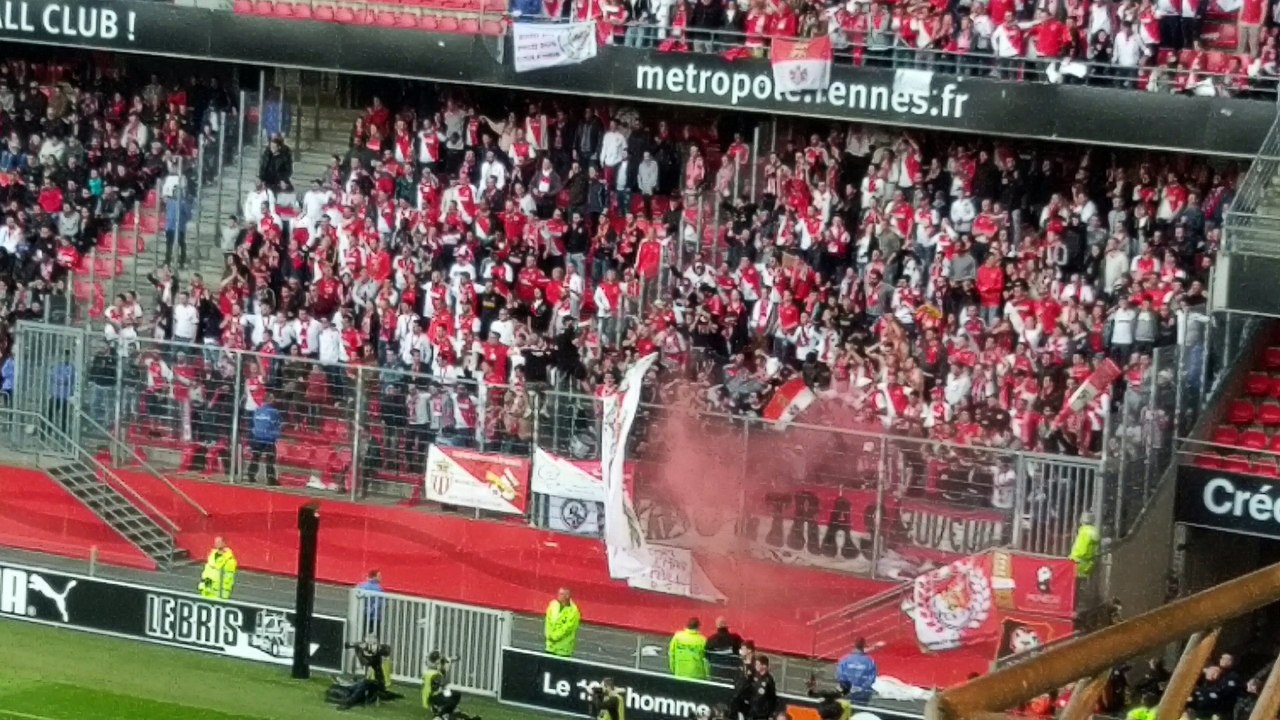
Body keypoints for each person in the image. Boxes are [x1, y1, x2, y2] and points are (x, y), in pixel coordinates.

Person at [423, 651, 479, 720]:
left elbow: (448, 660)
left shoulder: (437, 669)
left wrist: (454, 659)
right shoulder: (431, 673)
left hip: (440, 694)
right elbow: (440, 685)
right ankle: (439, 716)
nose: (441, 664)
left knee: (455, 696)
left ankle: (462, 716)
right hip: (434, 697)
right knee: (451, 701)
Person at [245, 392, 282, 486]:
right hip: (269, 438)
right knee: (270, 460)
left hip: (257, 437)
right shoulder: (274, 412)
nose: (274, 400)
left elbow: (254, 422)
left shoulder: (257, 410)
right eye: (273, 398)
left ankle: (250, 475)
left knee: (255, 457)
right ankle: (271, 479)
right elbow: (278, 423)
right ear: (269, 400)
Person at [835, 638, 877, 704]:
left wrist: (848, 688)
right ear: (864, 646)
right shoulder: (870, 661)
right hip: (862, 695)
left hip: (846, 693)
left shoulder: (845, 659)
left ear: (854, 645)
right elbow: (871, 678)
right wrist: (861, 688)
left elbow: (840, 676)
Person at [544, 586, 581, 657]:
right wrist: (548, 635)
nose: (558, 596)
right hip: (550, 647)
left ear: (567, 596)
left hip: (563, 650)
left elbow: (568, 628)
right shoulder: (553, 604)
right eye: (558, 593)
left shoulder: (574, 611)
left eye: (561, 594)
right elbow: (547, 621)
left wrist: (555, 637)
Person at [198, 536, 237, 600]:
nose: (217, 544)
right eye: (216, 542)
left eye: (219, 542)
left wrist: (223, 592)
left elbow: (228, 577)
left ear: (224, 543)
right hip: (207, 590)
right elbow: (207, 572)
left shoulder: (230, 559)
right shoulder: (211, 555)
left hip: (219, 593)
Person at [745, 655, 779, 720]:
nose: (756, 666)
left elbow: (772, 699)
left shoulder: (769, 680)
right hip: (751, 712)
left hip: (762, 714)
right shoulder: (753, 676)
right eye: (756, 664)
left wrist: (770, 714)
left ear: (764, 666)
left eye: (758, 664)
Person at [1070, 511, 1101, 578]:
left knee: (1074, 581)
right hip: (1087, 563)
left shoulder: (1083, 531)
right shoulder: (1094, 531)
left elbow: (1079, 549)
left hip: (1076, 561)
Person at [356, 569, 385, 636]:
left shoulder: (361, 586)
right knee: (376, 637)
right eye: (379, 576)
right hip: (375, 617)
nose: (381, 577)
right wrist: (372, 611)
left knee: (362, 634)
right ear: (374, 577)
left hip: (363, 615)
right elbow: (379, 603)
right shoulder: (379, 589)